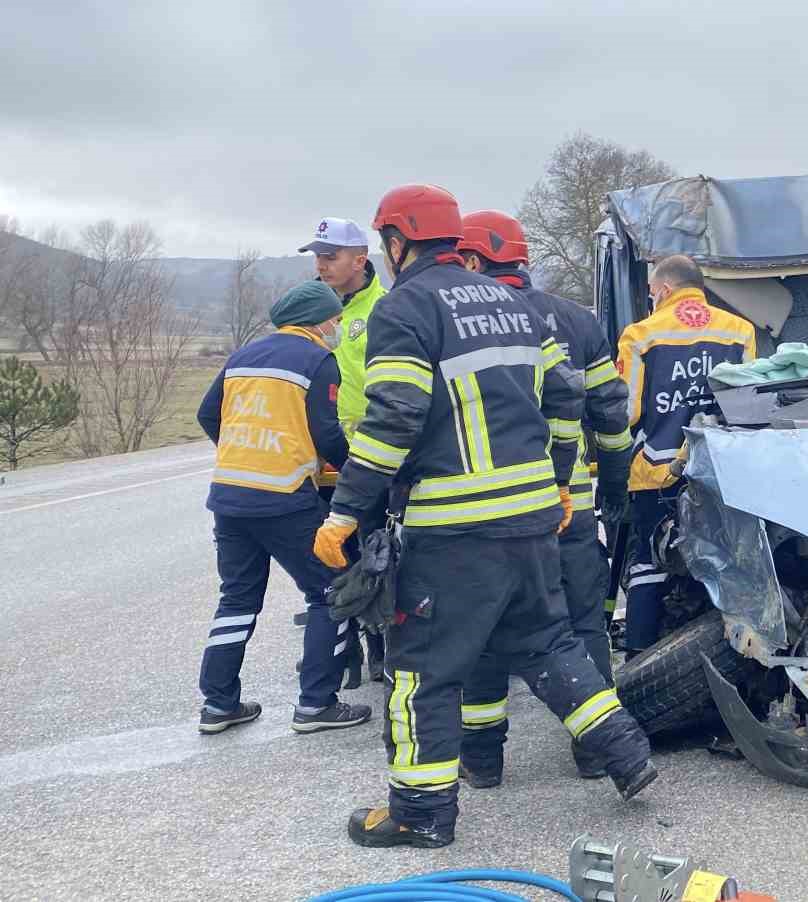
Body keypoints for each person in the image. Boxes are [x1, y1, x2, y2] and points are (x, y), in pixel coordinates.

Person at [314, 184, 656, 850]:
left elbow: (393, 418)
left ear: (396, 242)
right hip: (533, 518)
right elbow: (567, 397)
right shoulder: (516, 305)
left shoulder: (404, 308)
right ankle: (626, 753)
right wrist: (557, 480)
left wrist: (345, 511)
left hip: (454, 528)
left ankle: (420, 813)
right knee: (549, 643)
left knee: (422, 668)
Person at [455, 209, 633, 783]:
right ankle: (597, 753)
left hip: (490, 511)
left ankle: (483, 760)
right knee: (584, 625)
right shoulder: (577, 319)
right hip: (569, 504)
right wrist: (614, 485)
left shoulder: (457, 322)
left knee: (484, 630)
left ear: (473, 260)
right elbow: (610, 412)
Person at [194, 281, 373, 736]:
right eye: (335, 320)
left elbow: (207, 414)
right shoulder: (317, 359)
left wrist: (243, 453)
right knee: (331, 591)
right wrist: (358, 473)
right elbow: (327, 433)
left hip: (230, 494)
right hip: (284, 496)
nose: (336, 328)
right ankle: (317, 704)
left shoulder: (242, 356)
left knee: (237, 598)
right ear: (320, 322)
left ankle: (218, 704)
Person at [615, 255, 757, 655]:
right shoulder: (739, 331)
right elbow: (749, 405)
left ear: (664, 289)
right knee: (726, 559)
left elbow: (626, 412)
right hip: (720, 471)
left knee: (649, 563)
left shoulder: (640, 335)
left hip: (657, 472)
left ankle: (639, 654)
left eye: (652, 293)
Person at [299, 216, 388, 683]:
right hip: (326, 460)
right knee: (331, 558)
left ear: (360, 259)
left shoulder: (384, 309)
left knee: (375, 555)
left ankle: (381, 647)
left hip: (369, 458)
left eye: (330, 256)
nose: (322, 265)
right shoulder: (314, 310)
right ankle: (342, 650)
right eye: (318, 256)